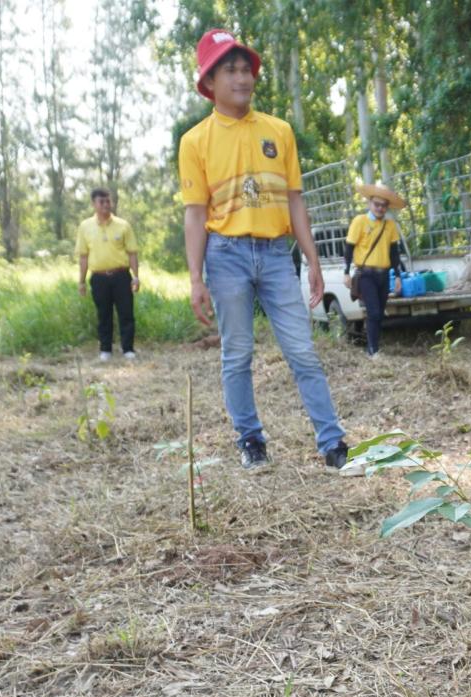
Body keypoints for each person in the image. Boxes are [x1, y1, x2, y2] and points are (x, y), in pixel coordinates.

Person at [179, 29, 349, 471]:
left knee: (303, 351)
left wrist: (312, 258)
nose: (242, 78)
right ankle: (251, 441)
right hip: (226, 255)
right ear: (209, 82)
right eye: (229, 70)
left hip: (276, 254)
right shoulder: (195, 141)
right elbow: (195, 214)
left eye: (245, 69)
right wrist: (195, 278)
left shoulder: (279, 132)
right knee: (237, 354)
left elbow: (295, 199)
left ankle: (332, 443)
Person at [76, 187, 140, 361]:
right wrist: (81, 282)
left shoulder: (123, 225)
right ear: (94, 204)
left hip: (121, 275)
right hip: (98, 277)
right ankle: (106, 349)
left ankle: (128, 349)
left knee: (126, 312)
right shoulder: (85, 227)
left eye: (108, 201)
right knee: (103, 314)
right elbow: (83, 256)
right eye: (101, 202)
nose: (106, 205)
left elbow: (132, 253)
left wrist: (135, 276)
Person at [343, 183, 404, 358]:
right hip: (366, 274)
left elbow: (394, 253)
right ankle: (373, 350)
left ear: (387, 207)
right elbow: (349, 247)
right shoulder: (359, 221)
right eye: (377, 204)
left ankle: (373, 347)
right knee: (374, 312)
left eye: (384, 205)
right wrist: (346, 272)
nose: (380, 208)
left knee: (379, 314)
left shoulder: (390, 225)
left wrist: (398, 276)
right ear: (370, 203)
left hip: (384, 275)